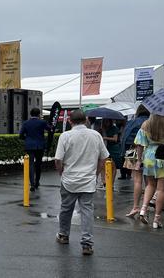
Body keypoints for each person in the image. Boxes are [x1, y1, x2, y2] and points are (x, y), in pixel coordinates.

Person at [54, 110, 108, 256]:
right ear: (86, 120)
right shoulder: (96, 135)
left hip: (69, 179)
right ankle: (87, 244)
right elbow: (103, 158)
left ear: (70, 121)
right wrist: (96, 173)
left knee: (66, 209)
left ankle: (63, 235)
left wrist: (61, 172)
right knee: (87, 212)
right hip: (88, 180)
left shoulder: (65, 136)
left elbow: (58, 159)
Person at [135, 114, 164, 228]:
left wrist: (139, 160)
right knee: (162, 189)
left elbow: (139, 144)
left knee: (150, 185)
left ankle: (143, 209)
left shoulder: (146, 124)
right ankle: (156, 219)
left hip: (149, 157)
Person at [122, 106, 150, 217]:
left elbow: (125, 137)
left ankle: (135, 207)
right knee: (150, 183)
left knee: (137, 181)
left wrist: (123, 152)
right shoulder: (151, 122)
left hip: (133, 151)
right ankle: (145, 208)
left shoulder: (132, 122)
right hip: (150, 152)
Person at [19, 108, 50, 191]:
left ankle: (32, 184)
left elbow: (21, 135)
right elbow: (50, 129)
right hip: (40, 146)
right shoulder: (42, 122)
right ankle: (37, 182)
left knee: (31, 164)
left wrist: (27, 139)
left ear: (30, 114)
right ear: (39, 114)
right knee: (38, 164)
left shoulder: (26, 123)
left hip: (29, 146)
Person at [101, 119, 122, 185]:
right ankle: (105, 181)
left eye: (107, 121)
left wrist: (105, 138)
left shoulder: (114, 128)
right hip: (106, 148)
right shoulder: (102, 129)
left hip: (114, 149)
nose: (106, 123)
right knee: (104, 165)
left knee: (113, 166)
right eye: (105, 121)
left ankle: (111, 183)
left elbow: (115, 139)